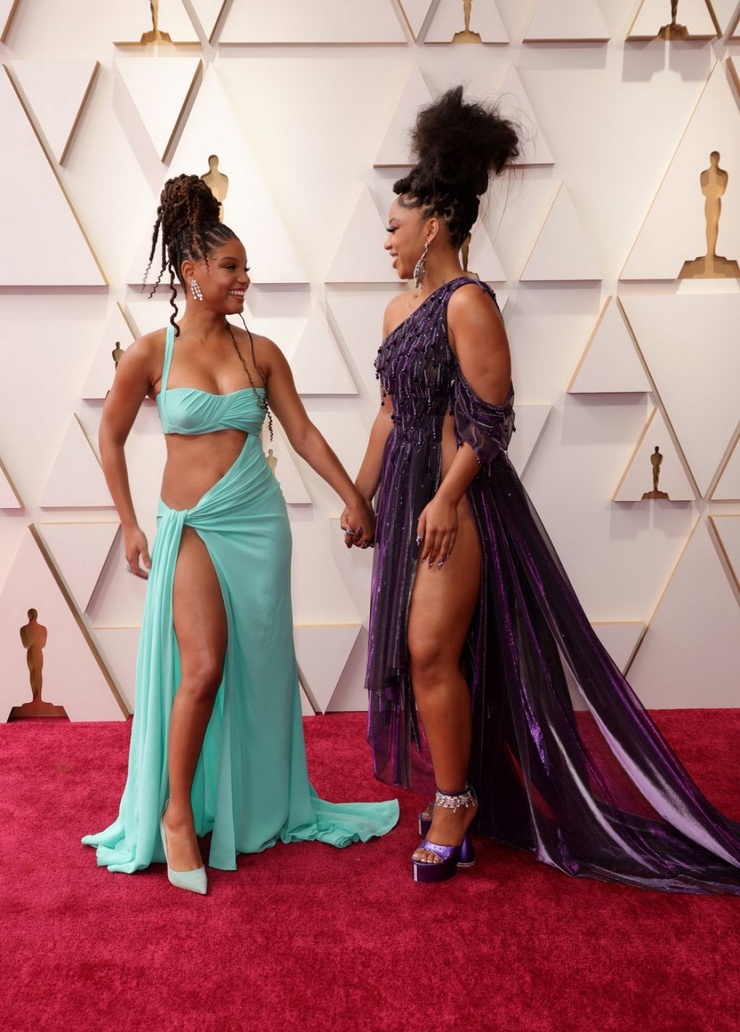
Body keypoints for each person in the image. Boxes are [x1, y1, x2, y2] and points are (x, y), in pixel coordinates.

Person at [343, 86, 740, 892]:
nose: (384, 240)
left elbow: (492, 422)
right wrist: (360, 495)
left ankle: (454, 805)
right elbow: (390, 414)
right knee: (426, 659)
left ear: (434, 225)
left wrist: (445, 497)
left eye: (393, 225)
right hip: (409, 498)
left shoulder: (468, 304)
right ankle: (460, 792)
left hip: (457, 504)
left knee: (429, 652)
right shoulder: (394, 311)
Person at [83, 174, 398, 894]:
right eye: (231, 267)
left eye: (246, 268)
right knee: (202, 669)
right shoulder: (150, 354)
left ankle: (249, 803)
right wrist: (129, 522)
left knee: (257, 669)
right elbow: (110, 437)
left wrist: (355, 497)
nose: (244, 279)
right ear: (191, 272)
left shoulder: (262, 352)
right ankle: (174, 816)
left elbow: (302, 433)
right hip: (192, 524)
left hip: (259, 522)